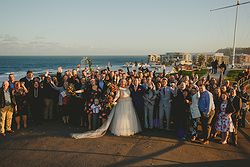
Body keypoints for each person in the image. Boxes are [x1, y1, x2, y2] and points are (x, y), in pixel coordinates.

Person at [72, 79, 141, 139]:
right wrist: (113, 101)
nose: (123, 83)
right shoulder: (119, 89)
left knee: (129, 117)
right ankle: (122, 130)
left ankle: (129, 129)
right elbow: (117, 96)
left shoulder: (128, 88)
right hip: (122, 104)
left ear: (126, 83)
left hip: (129, 104)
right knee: (121, 118)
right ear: (121, 83)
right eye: (122, 82)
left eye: (124, 82)